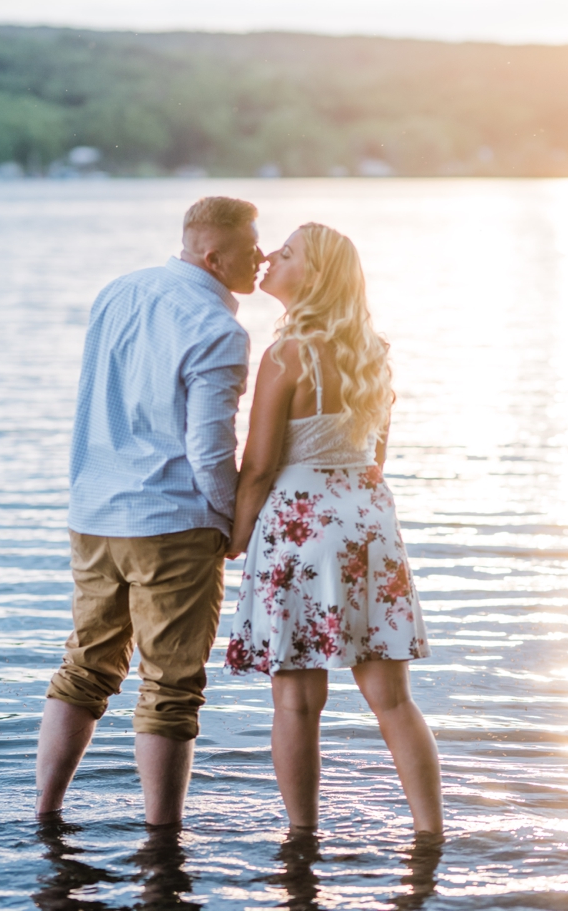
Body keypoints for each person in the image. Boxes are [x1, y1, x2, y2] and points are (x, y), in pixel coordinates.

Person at [35, 196, 262, 824]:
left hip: (95, 511)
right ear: (214, 257)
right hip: (172, 523)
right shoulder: (220, 331)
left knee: (84, 667)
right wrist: (231, 522)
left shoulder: (118, 291)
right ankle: (162, 842)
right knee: (170, 689)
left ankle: (44, 813)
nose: (262, 258)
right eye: (250, 250)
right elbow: (211, 448)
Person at [225, 224, 441, 837]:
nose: (270, 257)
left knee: (296, 702)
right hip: (368, 522)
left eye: (286, 254)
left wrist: (234, 540)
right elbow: (376, 458)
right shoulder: (372, 353)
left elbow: (260, 465)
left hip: (302, 525)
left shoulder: (287, 355)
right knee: (393, 700)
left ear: (313, 278)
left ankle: (302, 841)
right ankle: (431, 834)